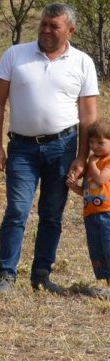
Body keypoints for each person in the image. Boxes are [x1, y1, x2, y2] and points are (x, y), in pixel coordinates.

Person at [0, 3, 98, 295]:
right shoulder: (15, 55)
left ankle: (41, 275)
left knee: (52, 214)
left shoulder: (83, 62)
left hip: (63, 148)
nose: (46, 30)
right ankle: (6, 275)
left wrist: (81, 157)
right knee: (17, 211)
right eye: (44, 24)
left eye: (54, 26)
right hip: (21, 148)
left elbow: (88, 116)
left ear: (70, 31)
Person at [81, 118, 110, 299]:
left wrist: (90, 163)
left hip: (107, 212)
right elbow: (87, 190)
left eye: (101, 142)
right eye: (92, 142)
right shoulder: (93, 163)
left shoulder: (106, 161)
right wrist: (72, 186)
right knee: (97, 248)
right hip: (91, 213)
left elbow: (100, 180)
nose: (95, 146)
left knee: (108, 247)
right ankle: (107, 284)